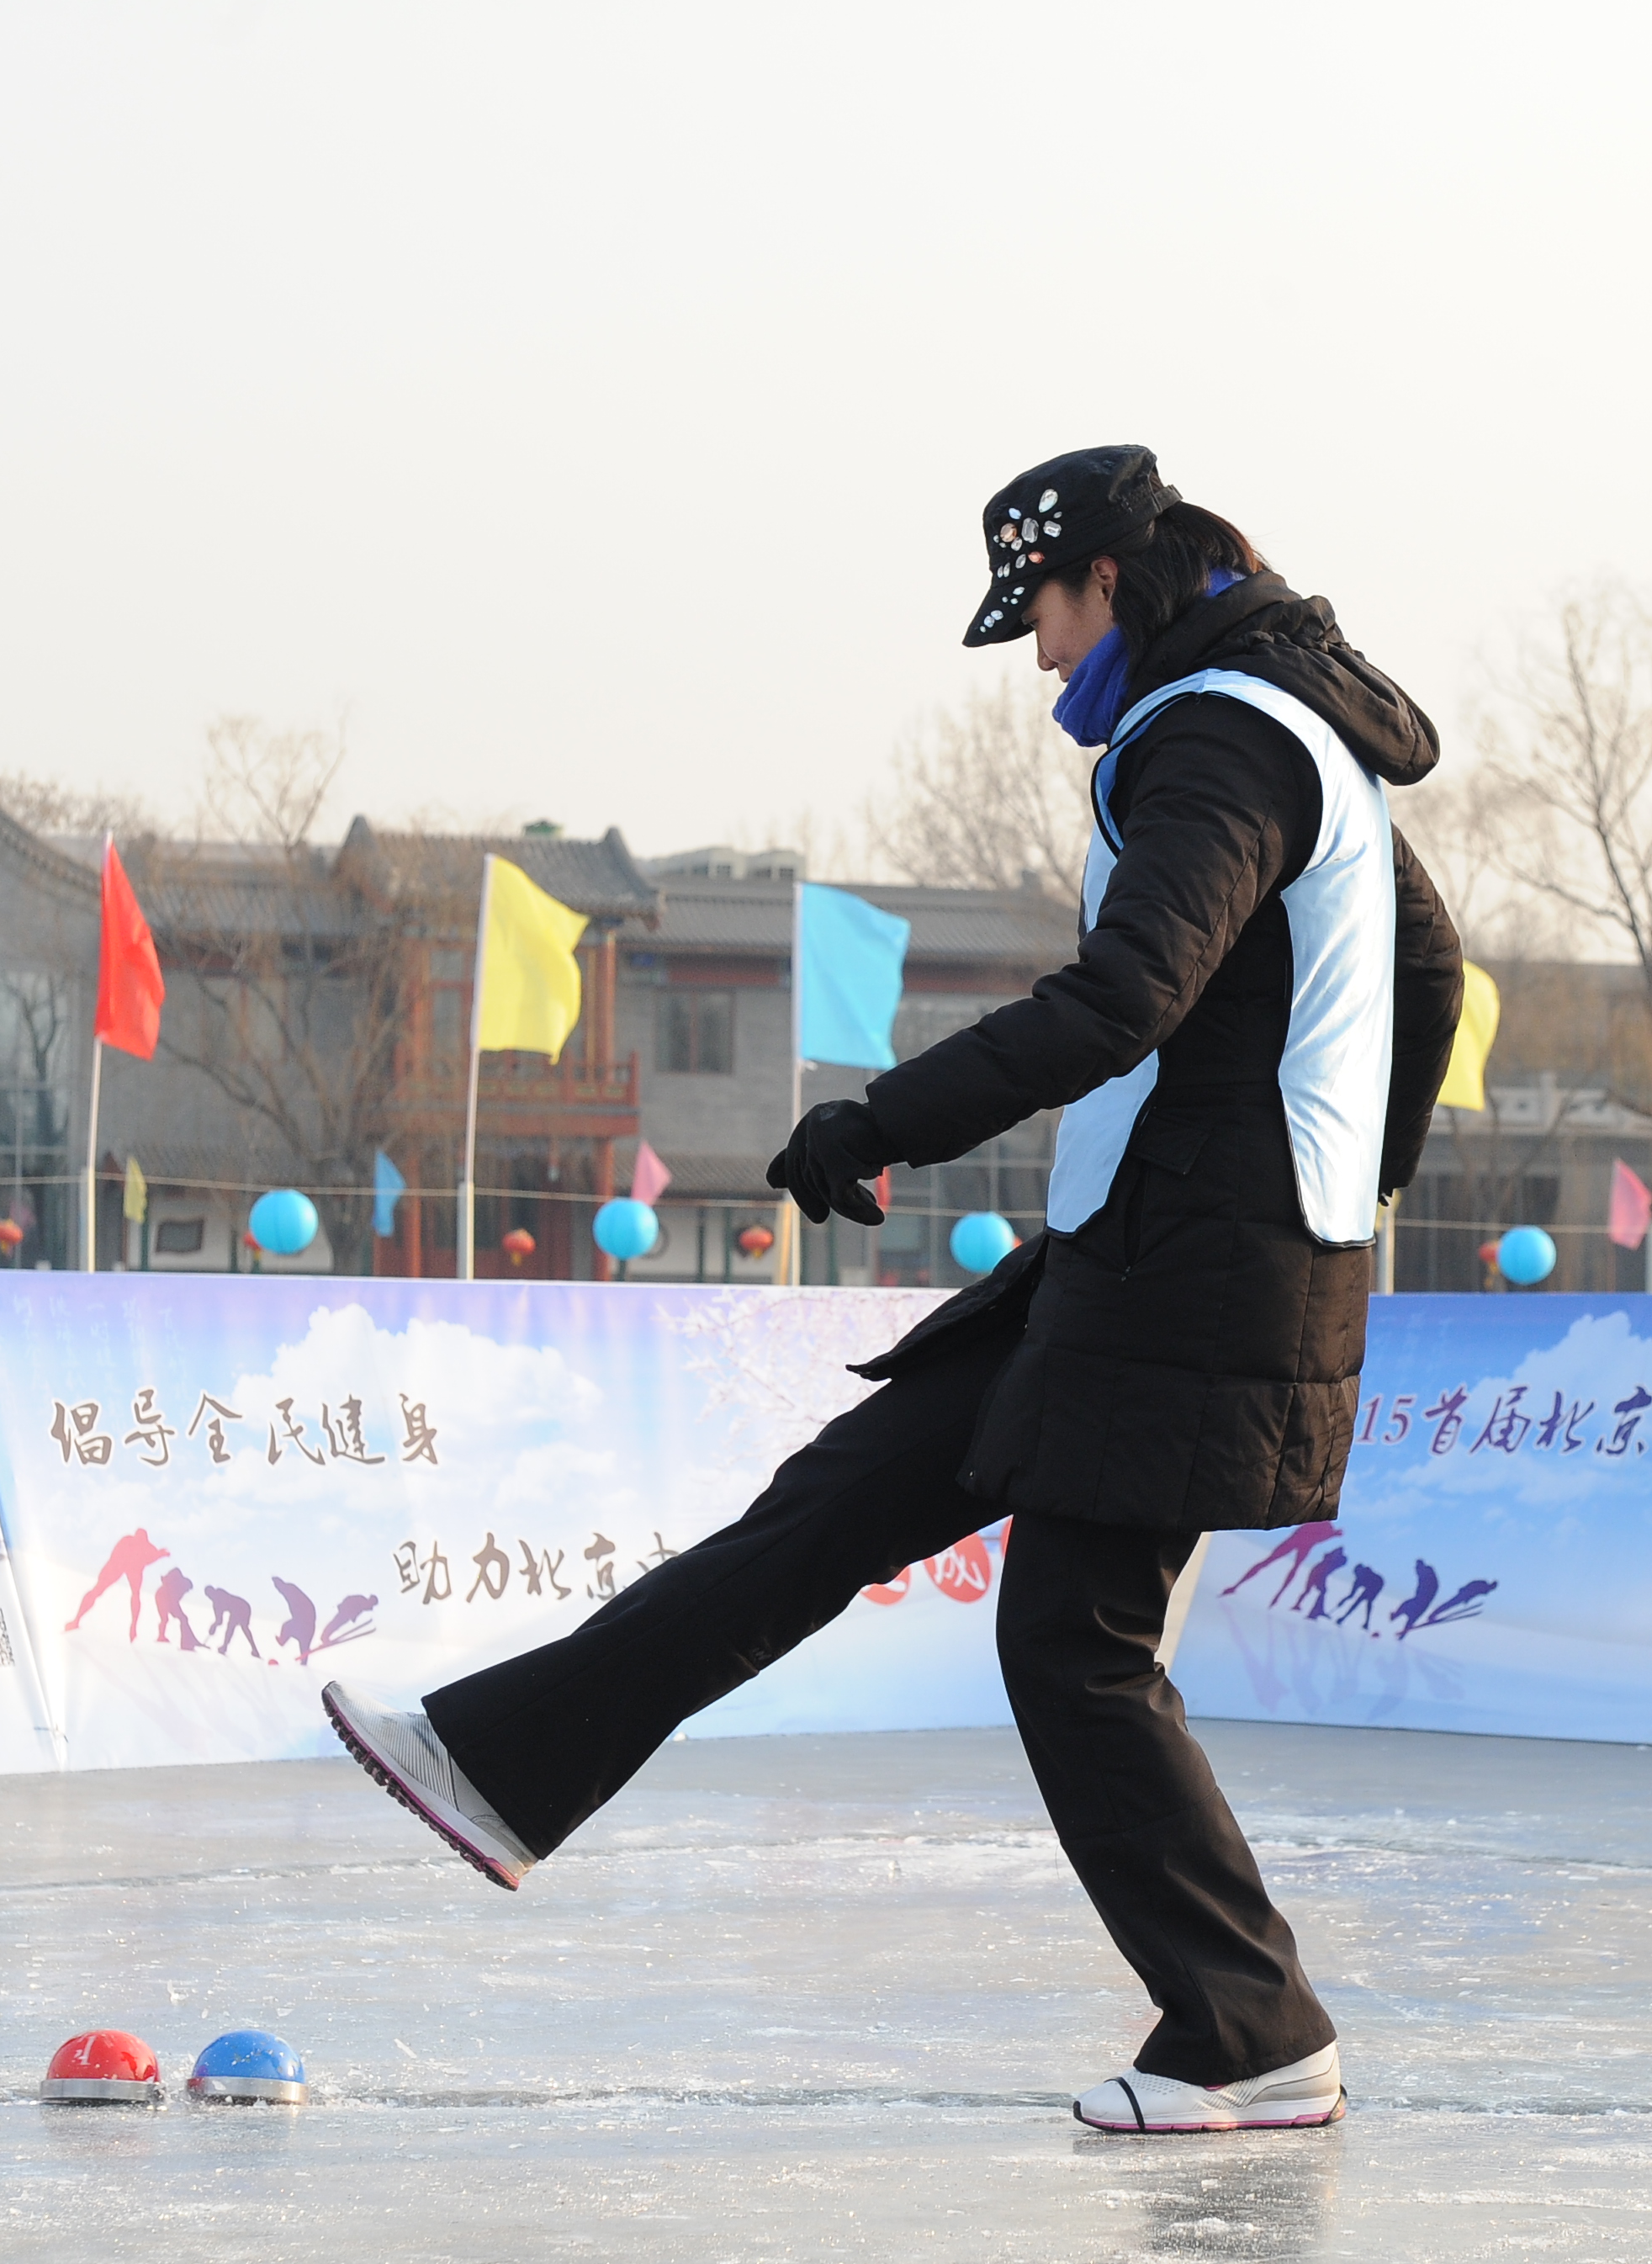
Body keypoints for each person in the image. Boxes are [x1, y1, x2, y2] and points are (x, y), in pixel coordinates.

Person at [326, 445, 1464, 2130]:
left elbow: (1124, 998)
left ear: (1114, 586)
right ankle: (500, 1763)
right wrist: (1353, 1174)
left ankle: (1250, 2029)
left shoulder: (1220, 740)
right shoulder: (1288, 729)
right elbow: (1429, 975)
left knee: (1073, 1649)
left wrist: (882, 1121)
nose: (1038, 660)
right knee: (838, 1500)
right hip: (1144, 1254)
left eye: (1045, 616)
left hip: (1197, 1279)